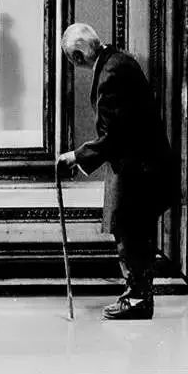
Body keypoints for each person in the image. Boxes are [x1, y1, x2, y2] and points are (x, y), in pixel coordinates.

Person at [57, 23, 177, 320]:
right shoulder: (117, 61)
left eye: (73, 59)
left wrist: (76, 156)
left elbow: (114, 134)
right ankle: (137, 295)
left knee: (129, 232)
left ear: (76, 55)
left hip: (137, 169)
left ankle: (138, 299)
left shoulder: (111, 72)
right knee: (132, 230)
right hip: (141, 165)